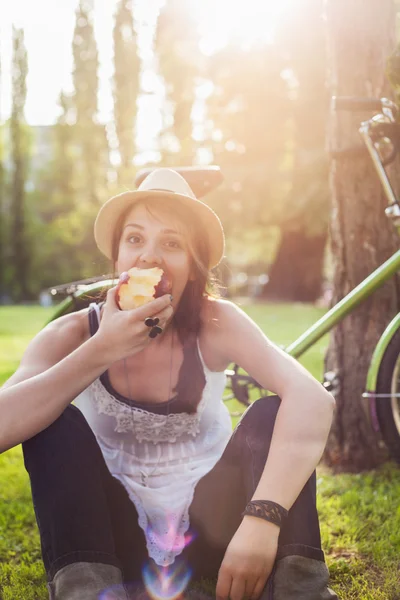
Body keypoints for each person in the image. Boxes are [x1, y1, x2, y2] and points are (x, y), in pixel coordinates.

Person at [0, 168, 338, 600]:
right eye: (135, 239)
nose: (149, 257)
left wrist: (261, 520)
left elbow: (313, 400)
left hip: (214, 532)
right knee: (50, 419)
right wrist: (101, 349)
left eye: (172, 243)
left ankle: (300, 587)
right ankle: (86, 589)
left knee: (272, 413)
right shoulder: (70, 335)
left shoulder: (218, 322)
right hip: (109, 540)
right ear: (118, 259)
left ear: (194, 267)